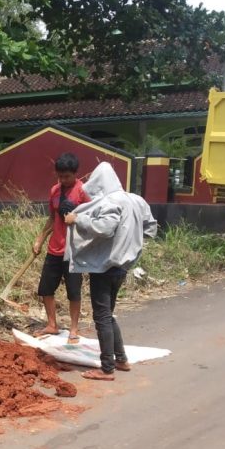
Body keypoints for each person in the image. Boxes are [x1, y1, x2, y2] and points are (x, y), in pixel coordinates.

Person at [63, 163, 158, 381]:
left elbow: (104, 228)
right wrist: (131, 238)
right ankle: (121, 359)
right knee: (108, 314)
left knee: (102, 316)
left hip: (105, 266)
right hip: (124, 265)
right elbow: (151, 228)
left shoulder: (110, 201)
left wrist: (78, 219)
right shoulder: (136, 200)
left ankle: (107, 368)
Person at [32, 152, 90, 343]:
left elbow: (92, 219)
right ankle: (52, 325)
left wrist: (76, 217)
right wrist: (40, 239)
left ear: (75, 174)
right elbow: (52, 218)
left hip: (74, 250)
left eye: (67, 176)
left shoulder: (83, 192)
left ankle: (74, 329)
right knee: (45, 289)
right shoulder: (55, 191)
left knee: (74, 291)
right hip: (54, 248)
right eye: (60, 176)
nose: (63, 180)